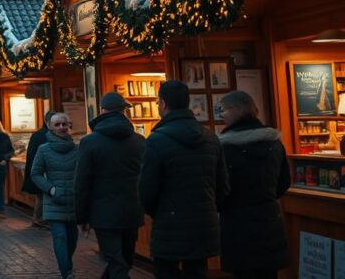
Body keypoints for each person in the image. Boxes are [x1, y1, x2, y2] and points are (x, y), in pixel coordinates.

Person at [139, 80, 229, 279]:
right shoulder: (211, 138)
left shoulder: (156, 141)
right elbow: (222, 185)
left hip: (168, 223)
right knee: (198, 271)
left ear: (163, 104)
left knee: (166, 272)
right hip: (203, 222)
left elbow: (146, 190)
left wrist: (158, 212)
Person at [217, 90, 291, 279]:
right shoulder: (274, 142)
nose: (221, 115)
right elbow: (284, 182)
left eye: (223, 109)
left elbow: (220, 188)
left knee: (242, 273)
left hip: (236, 222)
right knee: (268, 272)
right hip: (269, 219)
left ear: (236, 110)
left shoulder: (224, 147)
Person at [74, 92, 146, 279]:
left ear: (102, 111)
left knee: (116, 262)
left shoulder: (89, 142)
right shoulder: (139, 141)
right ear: (124, 111)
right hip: (132, 210)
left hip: (102, 212)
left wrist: (81, 217)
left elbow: (82, 181)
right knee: (124, 260)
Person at [31, 112, 80, 279]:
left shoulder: (77, 149)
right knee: (60, 237)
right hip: (54, 201)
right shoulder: (43, 150)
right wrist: (51, 189)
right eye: (57, 125)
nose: (61, 127)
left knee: (72, 239)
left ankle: (67, 265)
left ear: (69, 126)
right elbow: (35, 173)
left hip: (73, 201)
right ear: (50, 127)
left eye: (64, 124)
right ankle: (66, 273)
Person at [22, 110, 54, 228]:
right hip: (43, 170)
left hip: (39, 169)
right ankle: (40, 218)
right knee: (43, 195)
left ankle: (38, 218)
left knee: (41, 195)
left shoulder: (37, 134)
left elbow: (30, 153)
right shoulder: (44, 135)